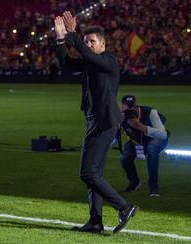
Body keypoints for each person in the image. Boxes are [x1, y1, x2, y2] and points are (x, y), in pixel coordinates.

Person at [54, 11, 138, 234]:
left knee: (88, 174)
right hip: (96, 122)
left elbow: (88, 56)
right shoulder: (91, 63)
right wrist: (60, 39)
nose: (89, 45)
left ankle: (124, 206)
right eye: (87, 41)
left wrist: (72, 34)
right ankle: (95, 222)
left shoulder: (109, 61)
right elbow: (66, 63)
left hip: (105, 123)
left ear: (103, 43)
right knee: (94, 176)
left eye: (92, 41)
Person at [118, 95, 169, 197]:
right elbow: (113, 140)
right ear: (122, 107)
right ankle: (134, 182)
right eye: (128, 108)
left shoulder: (150, 112)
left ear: (137, 106)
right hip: (137, 142)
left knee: (152, 148)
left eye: (133, 108)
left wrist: (142, 127)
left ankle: (153, 187)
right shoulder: (121, 116)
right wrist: (114, 126)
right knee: (124, 157)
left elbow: (163, 135)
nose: (131, 112)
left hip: (156, 140)